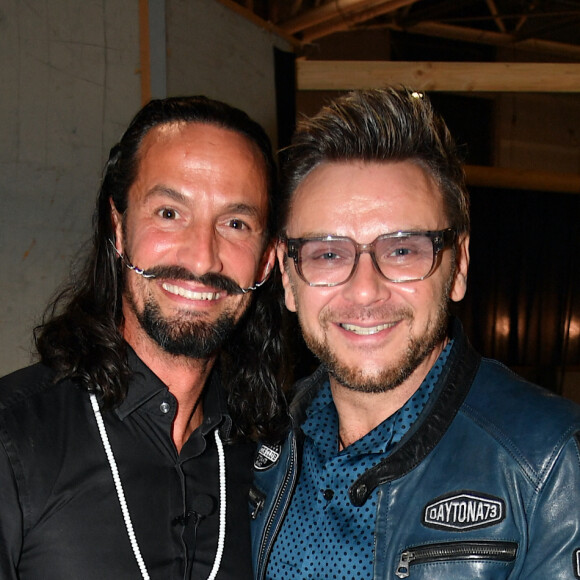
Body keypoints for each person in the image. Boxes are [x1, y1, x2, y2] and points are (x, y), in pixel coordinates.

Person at [250, 88, 580, 579]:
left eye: (403, 251)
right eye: (328, 253)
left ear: (459, 264)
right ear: (288, 278)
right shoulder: (254, 444)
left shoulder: (551, 464)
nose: (364, 291)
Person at [0, 96, 289, 579]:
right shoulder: (13, 440)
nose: (202, 259)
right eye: (169, 213)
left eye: (235, 223)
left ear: (266, 259)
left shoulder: (275, 464)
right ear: (119, 227)